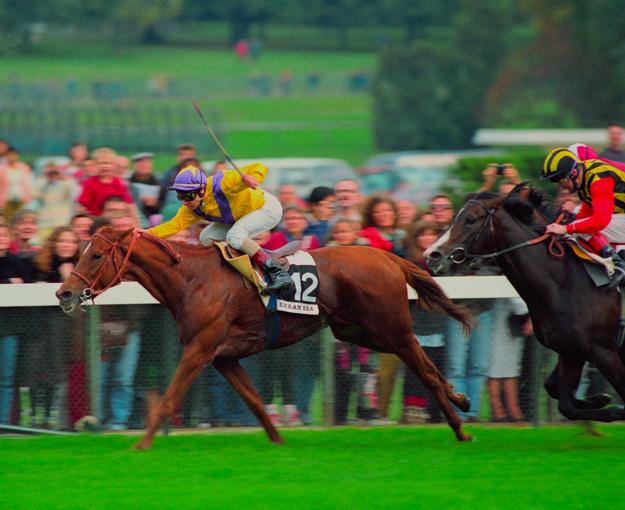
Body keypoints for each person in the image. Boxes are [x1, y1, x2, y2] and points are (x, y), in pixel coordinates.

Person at [147, 163, 294, 296]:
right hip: (238, 217)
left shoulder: (224, 183)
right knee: (205, 237)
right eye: (181, 197)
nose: (186, 202)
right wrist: (146, 233)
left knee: (235, 236)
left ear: (202, 190)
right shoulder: (190, 209)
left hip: (265, 209)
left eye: (189, 196)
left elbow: (259, 166)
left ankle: (277, 273)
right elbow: (172, 226)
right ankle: (224, 275)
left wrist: (254, 177)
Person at [542, 147, 625, 288]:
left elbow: (600, 221)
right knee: (577, 231)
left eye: (562, 182)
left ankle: (619, 266)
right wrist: (565, 233)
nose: (561, 188)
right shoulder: (585, 176)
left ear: (573, 173)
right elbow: (586, 215)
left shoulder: (598, 179)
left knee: (580, 229)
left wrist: (566, 228)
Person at [358, 193, 406, 422]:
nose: (384, 215)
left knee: (394, 364)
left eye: (387, 210)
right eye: (378, 212)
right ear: (371, 216)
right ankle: (373, 412)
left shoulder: (403, 237)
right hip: (375, 309)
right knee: (375, 366)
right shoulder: (366, 238)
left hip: (401, 307)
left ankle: (388, 410)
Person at [29, 227, 81, 428]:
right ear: (54, 243)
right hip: (37, 327)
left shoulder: (79, 267)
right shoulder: (39, 264)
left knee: (56, 369)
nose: (67, 245)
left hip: (64, 329)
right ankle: (33, 415)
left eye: (72, 241)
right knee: (33, 369)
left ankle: (51, 416)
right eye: (62, 241)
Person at [402, 220, 447, 424]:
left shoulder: (443, 262)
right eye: (423, 234)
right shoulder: (408, 262)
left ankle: (434, 412)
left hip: (437, 325)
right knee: (415, 371)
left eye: (431, 234)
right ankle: (412, 411)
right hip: (415, 324)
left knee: (435, 369)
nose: (427, 239)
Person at [0, 223, 32, 424]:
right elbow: (15, 284)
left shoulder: (17, 261)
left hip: (10, 328)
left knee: (6, 380)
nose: (1, 237)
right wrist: (10, 282)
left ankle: (2, 422)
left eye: (4, 234)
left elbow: (27, 287)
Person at [487, 298, 532, 422]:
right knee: (495, 362)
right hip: (498, 314)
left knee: (513, 363)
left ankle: (513, 409)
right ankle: (497, 411)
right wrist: (528, 314)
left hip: (516, 318)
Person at [75, 147, 139, 221]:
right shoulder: (89, 182)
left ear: (114, 165)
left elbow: (129, 205)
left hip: (115, 220)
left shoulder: (119, 183)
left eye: (109, 163)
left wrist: (135, 223)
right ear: (95, 165)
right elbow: (82, 206)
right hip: (95, 220)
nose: (105, 166)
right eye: (101, 163)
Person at [31, 161, 80, 241]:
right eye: (50, 173)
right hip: (44, 223)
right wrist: (45, 178)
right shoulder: (42, 183)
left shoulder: (66, 184)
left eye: (55, 173)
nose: (52, 175)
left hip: (62, 221)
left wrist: (63, 177)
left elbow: (76, 193)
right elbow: (35, 194)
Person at [128, 152, 162, 226]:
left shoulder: (159, 183)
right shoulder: (127, 182)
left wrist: (155, 203)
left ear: (151, 165)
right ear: (134, 165)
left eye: (146, 162)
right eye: (140, 162)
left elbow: (164, 204)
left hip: (151, 216)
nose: (143, 165)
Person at [0, 146, 33, 220]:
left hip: (20, 196)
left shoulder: (23, 167)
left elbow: (28, 182)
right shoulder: (2, 168)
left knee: (20, 218)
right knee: (7, 218)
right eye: (10, 155)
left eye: (14, 154)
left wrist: (28, 195)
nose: (12, 157)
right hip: (7, 198)